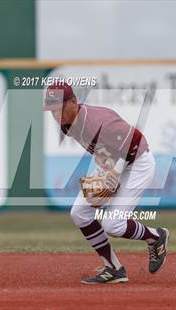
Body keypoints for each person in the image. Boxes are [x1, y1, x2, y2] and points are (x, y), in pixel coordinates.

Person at [42, 81, 169, 284]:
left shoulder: (99, 121)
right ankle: (114, 269)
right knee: (79, 213)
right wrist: (106, 169)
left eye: (59, 107)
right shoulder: (66, 124)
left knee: (113, 224)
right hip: (114, 162)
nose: (56, 113)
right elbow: (103, 149)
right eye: (52, 109)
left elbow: (135, 141)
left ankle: (155, 236)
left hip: (138, 162)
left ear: (73, 101)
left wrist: (114, 175)